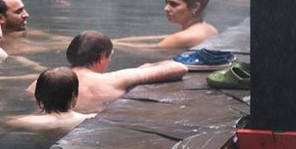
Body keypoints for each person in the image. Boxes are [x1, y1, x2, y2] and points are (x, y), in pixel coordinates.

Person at [33, 31, 187, 113]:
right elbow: (179, 68)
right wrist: (147, 66)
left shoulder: (41, 82)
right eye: (110, 56)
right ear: (101, 57)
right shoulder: (114, 79)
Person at [117, 0, 219, 50]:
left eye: (174, 4)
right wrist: (116, 41)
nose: (166, 9)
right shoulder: (209, 28)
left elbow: (150, 51)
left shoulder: (182, 38)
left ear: (195, 7)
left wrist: (113, 46)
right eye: (167, 3)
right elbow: (161, 38)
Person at [0, 0, 65, 53]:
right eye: (18, 12)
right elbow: (47, 47)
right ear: (0, 18)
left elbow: (56, 39)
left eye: (23, 9)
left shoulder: (16, 29)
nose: (26, 15)